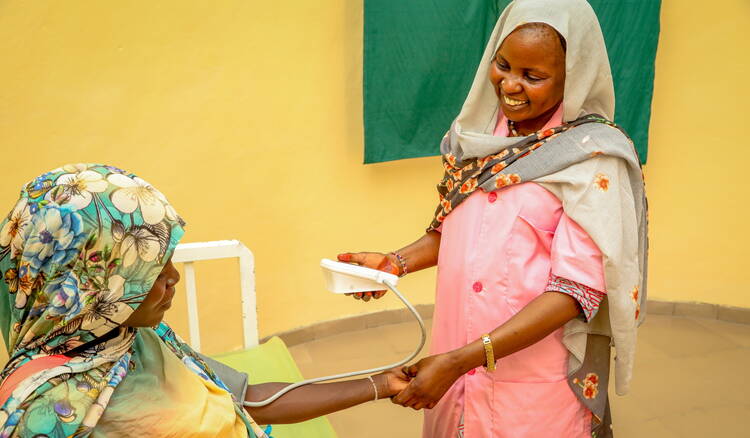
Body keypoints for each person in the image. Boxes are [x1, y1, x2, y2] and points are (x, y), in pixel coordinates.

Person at [338, 0, 648, 436]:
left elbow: (574, 291)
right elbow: (459, 233)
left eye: (533, 76)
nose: (510, 85)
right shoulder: (475, 139)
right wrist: (395, 262)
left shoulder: (592, 159)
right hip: (450, 362)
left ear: (573, 76)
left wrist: (460, 361)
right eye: (502, 64)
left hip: (532, 387)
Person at [0, 163, 410, 437]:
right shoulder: (39, 413)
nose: (174, 277)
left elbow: (250, 399)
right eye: (151, 273)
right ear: (90, 285)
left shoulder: (138, 339)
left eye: (168, 262)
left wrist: (381, 385)